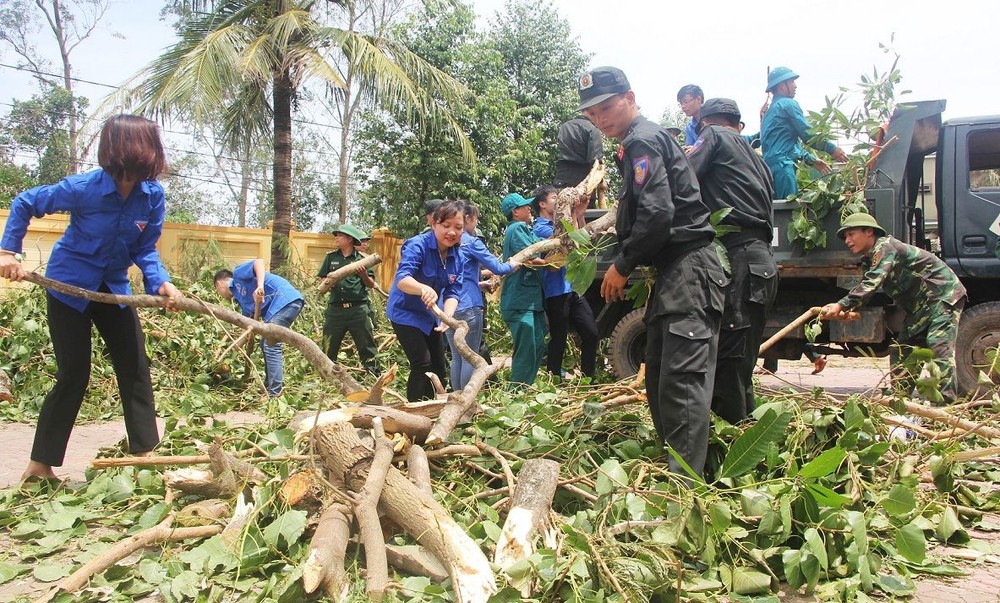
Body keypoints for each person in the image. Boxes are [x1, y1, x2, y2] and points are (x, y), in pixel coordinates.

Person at [0, 114, 182, 481]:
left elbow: (146, 248)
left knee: (134, 369)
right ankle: (40, 466)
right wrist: (7, 252)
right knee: (73, 375)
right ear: (127, 147)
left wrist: (160, 282)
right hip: (69, 288)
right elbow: (25, 202)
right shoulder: (83, 188)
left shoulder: (152, 196)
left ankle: (144, 455)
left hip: (114, 291)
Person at [580, 66, 726, 477]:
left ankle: (684, 492)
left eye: (607, 107)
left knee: (680, 387)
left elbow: (658, 214)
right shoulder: (637, 142)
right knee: (660, 378)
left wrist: (621, 266)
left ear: (629, 97)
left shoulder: (642, 139)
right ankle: (677, 473)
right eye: (592, 115)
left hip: (688, 270)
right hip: (673, 273)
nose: (601, 118)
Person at [685, 98, 778, 424]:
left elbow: (683, 179)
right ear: (737, 123)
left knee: (727, 360)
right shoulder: (758, 159)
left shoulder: (712, 137)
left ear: (705, 123)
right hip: (761, 262)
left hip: (738, 258)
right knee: (740, 364)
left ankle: (733, 447)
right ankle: (747, 432)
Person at [820, 213, 967, 401]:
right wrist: (849, 311)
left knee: (939, 348)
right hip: (919, 308)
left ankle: (945, 409)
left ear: (869, 232)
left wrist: (841, 304)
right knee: (902, 349)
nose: (847, 241)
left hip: (942, 297)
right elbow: (871, 290)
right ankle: (899, 400)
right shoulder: (870, 259)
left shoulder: (885, 246)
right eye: (845, 237)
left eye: (851, 234)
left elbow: (872, 282)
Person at [387, 199, 465, 401]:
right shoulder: (417, 245)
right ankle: (413, 411)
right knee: (422, 363)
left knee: (439, 366)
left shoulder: (457, 255)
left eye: (458, 227)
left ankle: (431, 407)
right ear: (433, 224)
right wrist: (423, 288)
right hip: (405, 313)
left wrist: (448, 317)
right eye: (446, 226)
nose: (452, 232)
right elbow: (402, 280)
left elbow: (453, 291)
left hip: (431, 316)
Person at [447, 201, 520, 391]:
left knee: (456, 357)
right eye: (476, 219)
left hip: (448, 306)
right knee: (470, 357)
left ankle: (456, 397)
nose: (476, 224)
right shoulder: (471, 242)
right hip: (468, 307)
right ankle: (466, 402)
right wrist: (512, 264)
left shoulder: (446, 241)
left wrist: (479, 284)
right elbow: (497, 267)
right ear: (468, 218)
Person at [531, 185, 600, 379]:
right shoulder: (541, 228)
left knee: (591, 333)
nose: (560, 201)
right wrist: (574, 216)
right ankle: (554, 377)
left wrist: (579, 213)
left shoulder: (562, 223)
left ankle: (588, 378)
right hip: (555, 291)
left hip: (573, 288)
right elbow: (570, 239)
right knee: (559, 338)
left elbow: (582, 240)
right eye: (555, 198)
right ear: (542, 204)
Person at [214, 260, 304, 396]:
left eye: (217, 290)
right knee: (265, 343)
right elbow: (250, 327)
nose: (219, 294)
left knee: (271, 344)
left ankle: (274, 394)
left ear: (219, 284)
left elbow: (258, 262)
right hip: (280, 308)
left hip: (284, 299)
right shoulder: (242, 301)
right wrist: (233, 350)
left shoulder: (238, 275)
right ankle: (269, 386)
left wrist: (260, 286)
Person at [760, 66, 848, 199]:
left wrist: (811, 160)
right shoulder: (788, 104)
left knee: (777, 213)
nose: (795, 86)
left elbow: (787, 147)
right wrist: (832, 149)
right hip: (784, 170)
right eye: (792, 82)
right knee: (787, 213)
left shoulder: (770, 112)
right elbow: (808, 135)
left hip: (769, 171)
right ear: (782, 86)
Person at [316, 224, 380, 377]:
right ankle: (326, 377)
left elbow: (370, 284)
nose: (336, 238)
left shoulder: (362, 260)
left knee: (367, 346)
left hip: (358, 309)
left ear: (350, 239)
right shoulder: (331, 257)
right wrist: (330, 281)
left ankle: (373, 377)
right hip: (335, 310)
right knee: (328, 345)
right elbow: (323, 278)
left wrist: (363, 274)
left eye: (339, 235)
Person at [500, 192, 547, 387]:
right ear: (515, 212)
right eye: (524, 206)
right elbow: (532, 256)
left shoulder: (526, 229)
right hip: (519, 300)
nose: (529, 208)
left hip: (531, 301)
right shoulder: (517, 228)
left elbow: (544, 243)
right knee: (527, 348)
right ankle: (516, 391)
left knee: (537, 344)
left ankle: (526, 387)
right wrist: (550, 263)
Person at [554, 115, 604, 189]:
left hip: (562, 177)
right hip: (582, 180)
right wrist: (600, 180)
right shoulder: (591, 128)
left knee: (560, 199)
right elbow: (595, 160)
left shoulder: (564, 126)